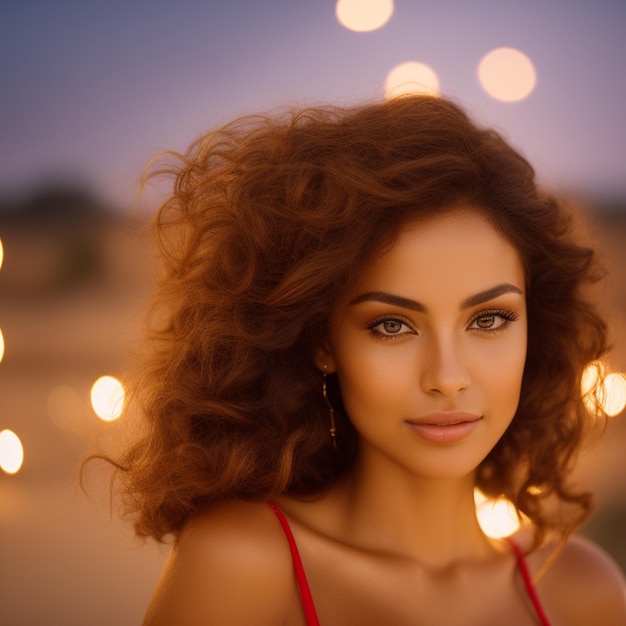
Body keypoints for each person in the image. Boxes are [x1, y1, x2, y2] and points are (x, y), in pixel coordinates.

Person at [112, 95, 626, 624]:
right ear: (322, 342)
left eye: (489, 320)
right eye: (392, 326)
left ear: (534, 325)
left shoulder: (584, 593)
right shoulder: (242, 564)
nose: (447, 378)